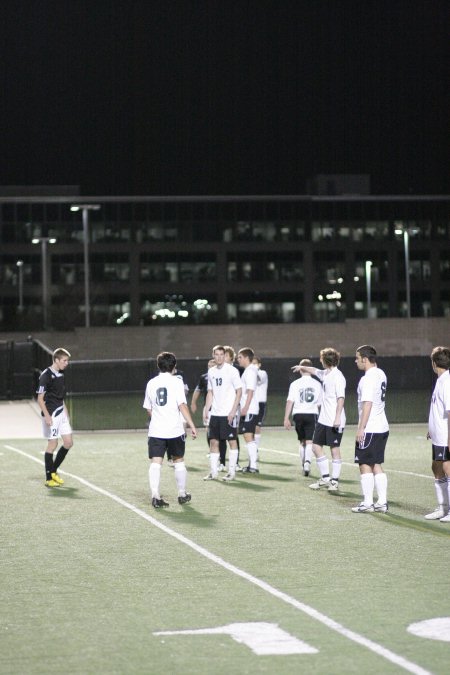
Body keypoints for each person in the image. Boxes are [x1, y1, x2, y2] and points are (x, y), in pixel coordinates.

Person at [143, 351, 197, 508]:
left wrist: (159, 417)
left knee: (156, 462)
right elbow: (182, 405)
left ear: (158, 365)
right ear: (174, 366)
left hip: (156, 430)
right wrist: (192, 425)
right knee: (178, 460)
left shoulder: (151, 383)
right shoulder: (177, 382)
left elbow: (148, 408)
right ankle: (182, 494)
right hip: (174, 429)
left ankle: (155, 496)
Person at [293, 347, 346, 491]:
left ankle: (334, 481)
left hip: (335, 419)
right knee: (316, 447)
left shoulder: (338, 376)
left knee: (334, 449)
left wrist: (337, 418)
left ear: (326, 360)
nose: (320, 360)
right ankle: (326, 478)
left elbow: (341, 398)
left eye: (321, 358)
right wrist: (302, 367)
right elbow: (315, 371)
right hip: (323, 419)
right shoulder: (326, 373)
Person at [351, 345, 389, 513]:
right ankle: (381, 502)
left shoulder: (367, 378)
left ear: (365, 359)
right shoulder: (381, 373)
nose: (356, 361)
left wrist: (361, 428)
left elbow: (368, 403)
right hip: (382, 426)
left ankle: (367, 503)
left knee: (364, 464)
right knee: (376, 464)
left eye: (357, 358)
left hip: (371, 427)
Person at [203, 345, 241, 481]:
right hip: (215, 414)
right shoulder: (211, 371)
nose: (219, 357)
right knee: (213, 441)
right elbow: (210, 392)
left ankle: (231, 472)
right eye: (216, 354)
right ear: (213, 355)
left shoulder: (232, 371)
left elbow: (239, 391)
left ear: (225, 356)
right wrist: (207, 409)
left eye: (221, 354)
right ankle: (213, 472)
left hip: (228, 413)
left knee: (232, 441)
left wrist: (233, 411)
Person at [284, 358, 322, 476]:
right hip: (312, 414)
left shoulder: (294, 384)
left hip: (298, 414)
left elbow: (290, 401)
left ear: (300, 370)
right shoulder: (317, 384)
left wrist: (286, 418)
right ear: (311, 370)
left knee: (302, 441)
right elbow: (320, 403)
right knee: (310, 440)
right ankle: (307, 462)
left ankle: (303, 463)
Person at [424, 346, 450, 521]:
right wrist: (431, 428)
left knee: (447, 468)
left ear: (434, 363)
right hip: (438, 435)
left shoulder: (447, 382)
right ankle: (442, 508)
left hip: (445, 437)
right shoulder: (441, 380)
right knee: (437, 468)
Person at [237, 347, 260, 473]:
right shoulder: (248, 371)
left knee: (247, 436)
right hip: (249, 408)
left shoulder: (250, 371)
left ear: (246, 358)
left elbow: (250, 390)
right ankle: (252, 465)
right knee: (248, 436)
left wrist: (245, 407)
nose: (238, 359)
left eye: (240, 357)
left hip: (250, 409)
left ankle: (254, 466)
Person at [252, 356, 268, 453]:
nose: (253, 365)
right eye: (252, 363)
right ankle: (252, 448)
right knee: (250, 428)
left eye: (255, 363)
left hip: (260, 403)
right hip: (250, 403)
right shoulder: (247, 373)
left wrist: (253, 370)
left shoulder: (262, 373)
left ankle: (255, 450)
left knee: (257, 427)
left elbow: (258, 380)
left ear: (259, 364)